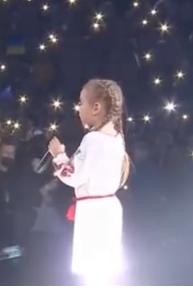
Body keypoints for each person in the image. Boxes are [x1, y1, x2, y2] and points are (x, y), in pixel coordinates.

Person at [48, 78, 132, 284]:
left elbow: (75, 176)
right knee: (105, 270)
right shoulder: (116, 137)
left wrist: (59, 155)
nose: (79, 108)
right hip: (107, 208)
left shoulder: (93, 139)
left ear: (96, 107)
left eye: (81, 102)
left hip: (94, 212)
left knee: (94, 272)